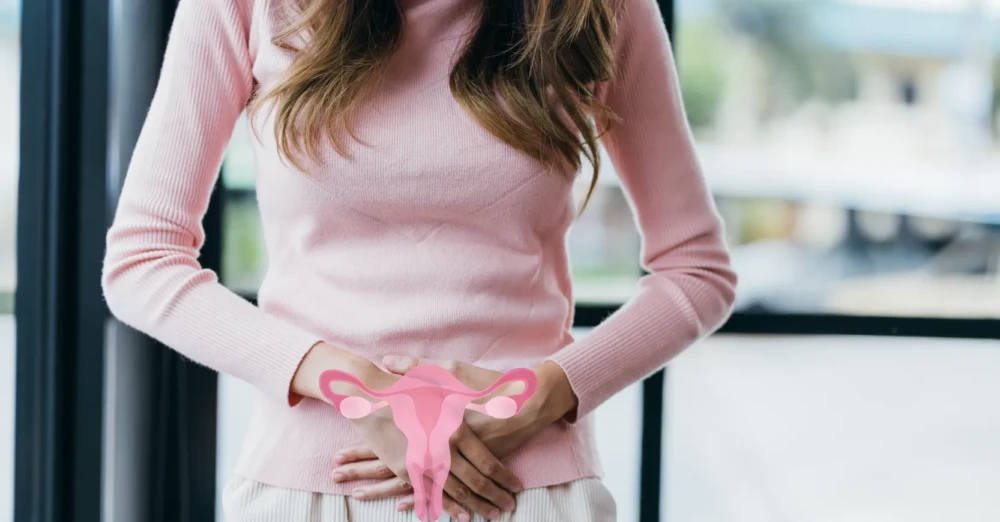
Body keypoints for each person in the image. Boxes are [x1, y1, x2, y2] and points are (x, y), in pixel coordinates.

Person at [101, 0, 737, 520]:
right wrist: (357, 390)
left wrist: (537, 397)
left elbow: (698, 271)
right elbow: (143, 259)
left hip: (526, 492)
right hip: (309, 492)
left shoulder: (595, 9)